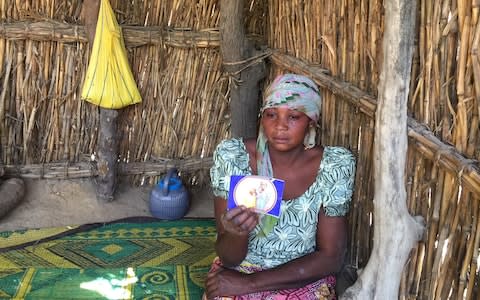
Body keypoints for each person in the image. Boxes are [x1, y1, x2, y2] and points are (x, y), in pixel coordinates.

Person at [204, 74, 356, 299]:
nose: (280, 126)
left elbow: (331, 257)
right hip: (239, 271)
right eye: (271, 115)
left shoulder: (333, 166)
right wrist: (236, 234)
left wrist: (249, 284)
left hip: (301, 277)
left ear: (311, 121)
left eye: (293, 116)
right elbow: (229, 258)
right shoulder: (234, 158)